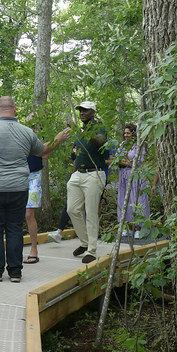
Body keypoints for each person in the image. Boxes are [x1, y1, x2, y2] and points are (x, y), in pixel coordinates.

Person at [0, 97, 64, 283]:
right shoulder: (26, 132)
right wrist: (58, 138)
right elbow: (43, 151)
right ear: (15, 109)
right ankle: (15, 272)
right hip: (19, 187)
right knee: (15, 229)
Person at [66, 100, 110, 264]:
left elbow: (99, 142)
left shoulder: (99, 127)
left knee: (91, 213)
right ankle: (84, 242)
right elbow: (78, 154)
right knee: (72, 209)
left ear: (93, 112)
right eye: (80, 110)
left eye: (85, 110)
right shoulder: (80, 131)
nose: (82, 112)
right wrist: (74, 173)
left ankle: (91, 249)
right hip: (79, 174)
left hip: (94, 173)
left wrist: (78, 130)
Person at [22, 114, 69, 263]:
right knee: (15, 214)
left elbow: (45, 154)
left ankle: (34, 250)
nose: (34, 124)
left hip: (34, 176)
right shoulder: (21, 134)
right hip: (18, 175)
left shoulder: (40, 137)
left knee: (29, 214)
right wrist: (56, 139)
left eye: (37, 122)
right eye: (31, 121)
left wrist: (56, 141)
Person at [116, 123, 150, 238]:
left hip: (136, 176)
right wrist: (126, 162)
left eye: (128, 133)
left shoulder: (138, 146)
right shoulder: (122, 145)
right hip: (123, 175)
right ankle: (129, 227)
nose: (126, 135)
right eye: (124, 133)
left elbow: (137, 162)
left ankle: (140, 228)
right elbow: (116, 160)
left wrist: (125, 162)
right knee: (124, 200)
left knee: (137, 200)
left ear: (133, 134)